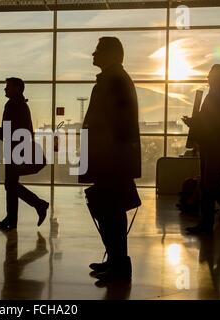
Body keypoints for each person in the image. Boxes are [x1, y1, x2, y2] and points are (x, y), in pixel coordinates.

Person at [79, 37, 141, 282]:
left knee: (110, 210)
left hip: (110, 159)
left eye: (97, 51)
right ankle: (117, 261)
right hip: (111, 158)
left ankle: (119, 265)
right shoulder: (115, 80)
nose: (93, 55)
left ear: (111, 54)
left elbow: (113, 124)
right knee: (110, 210)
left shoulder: (114, 82)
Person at [182, 64, 220, 235]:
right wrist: (196, 123)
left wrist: (195, 123)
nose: (207, 78)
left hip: (214, 144)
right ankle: (208, 222)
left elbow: (213, 122)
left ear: (216, 77)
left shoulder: (219, 96)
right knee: (208, 185)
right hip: (212, 143)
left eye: (210, 75)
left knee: (210, 184)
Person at [0, 77, 49, 230]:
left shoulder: (14, 104)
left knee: (10, 185)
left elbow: (9, 129)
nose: (5, 89)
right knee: (11, 184)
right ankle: (12, 219)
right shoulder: (20, 104)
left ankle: (39, 204)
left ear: (17, 88)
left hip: (15, 149)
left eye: (8, 86)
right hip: (17, 148)